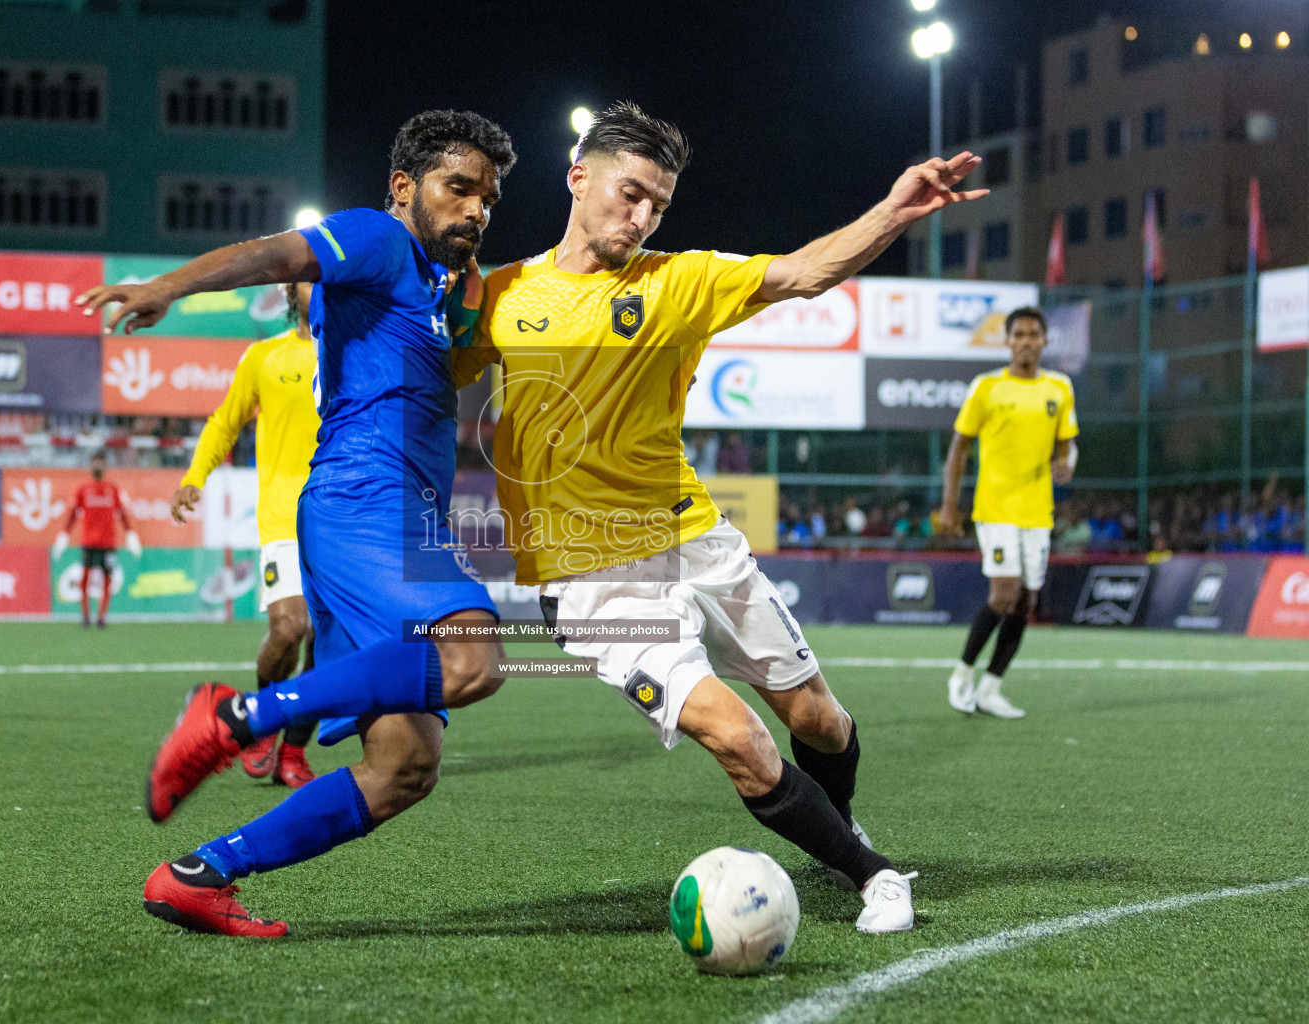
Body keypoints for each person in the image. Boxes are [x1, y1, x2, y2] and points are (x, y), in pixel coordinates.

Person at [458, 101, 988, 933]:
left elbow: (802, 272)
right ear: (578, 178)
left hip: (695, 539)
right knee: (739, 738)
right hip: (590, 577)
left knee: (820, 719)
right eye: (629, 194)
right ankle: (875, 875)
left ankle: (834, 833)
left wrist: (895, 210)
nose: (640, 217)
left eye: (657, 205)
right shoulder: (501, 297)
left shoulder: (680, 280)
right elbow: (420, 368)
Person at [76, 109, 516, 938]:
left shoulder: (436, 283)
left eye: (487, 198)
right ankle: (235, 718)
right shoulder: (377, 240)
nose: (475, 210)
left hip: (397, 514)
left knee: (404, 767)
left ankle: (198, 877)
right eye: (458, 188)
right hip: (365, 497)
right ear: (403, 187)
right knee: (474, 659)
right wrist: (168, 287)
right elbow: (280, 253)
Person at [171, 282, 324, 788]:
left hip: (345, 518)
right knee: (289, 629)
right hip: (284, 515)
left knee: (328, 646)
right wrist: (195, 476)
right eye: (307, 279)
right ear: (289, 292)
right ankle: (261, 719)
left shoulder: (355, 355)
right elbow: (225, 420)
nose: (317, 287)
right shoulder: (264, 356)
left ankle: (294, 753)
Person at [939, 307, 1078, 719]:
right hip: (996, 508)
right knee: (1004, 594)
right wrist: (950, 504)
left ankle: (991, 688)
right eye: (1019, 334)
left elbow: (1067, 444)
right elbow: (958, 448)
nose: (1026, 341)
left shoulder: (1059, 387)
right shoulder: (987, 388)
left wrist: (1067, 463)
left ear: (1045, 341)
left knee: (1026, 602)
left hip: (1038, 512)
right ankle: (961, 676)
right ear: (1008, 340)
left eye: (1034, 334)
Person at [52, 451, 140, 628]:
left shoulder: (113, 490)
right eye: (94, 463)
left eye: (100, 463)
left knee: (107, 579)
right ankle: (85, 616)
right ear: (90, 466)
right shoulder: (83, 490)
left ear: (105, 466)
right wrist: (63, 535)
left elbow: (123, 514)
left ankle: (101, 617)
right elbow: (72, 515)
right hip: (89, 542)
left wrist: (131, 535)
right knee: (84, 578)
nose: (97, 466)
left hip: (108, 543)